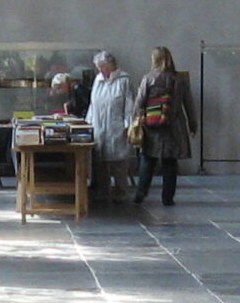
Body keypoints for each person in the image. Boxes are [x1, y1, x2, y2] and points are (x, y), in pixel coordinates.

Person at [132, 46, 199, 205]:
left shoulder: (148, 78)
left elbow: (139, 103)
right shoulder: (180, 80)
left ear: (155, 60)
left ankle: (141, 193)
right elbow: (188, 104)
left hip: (152, 125)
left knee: (148, 160)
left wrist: (135, 121)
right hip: (174, 125)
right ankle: (167, 198)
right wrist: (193, 125)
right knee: (170, 163)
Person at [84, 51, 136, 201]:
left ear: (112, 65)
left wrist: (128, 125)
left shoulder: (124, 80)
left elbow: (130, 105)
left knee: (119, 163)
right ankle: (103, 191)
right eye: (99, 67)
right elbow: (92, 104)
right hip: (99, 126)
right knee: (100, 162)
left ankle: (121, 192)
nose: (101, 70)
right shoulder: (98, 80)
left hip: (117, 126)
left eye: (103, 66)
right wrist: (88, 123)